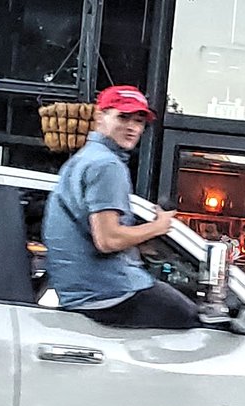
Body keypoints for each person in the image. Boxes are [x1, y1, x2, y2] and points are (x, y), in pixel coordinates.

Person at [43, 85, 200, 329]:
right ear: (99, 116)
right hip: (109, 294)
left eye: (139, 121)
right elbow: (108, 239)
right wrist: (158, 227)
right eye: (123, 117)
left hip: (85, 293)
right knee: (195, 319)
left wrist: (140, 242)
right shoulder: (106, 165)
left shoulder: (84, 159)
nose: (132, 128)